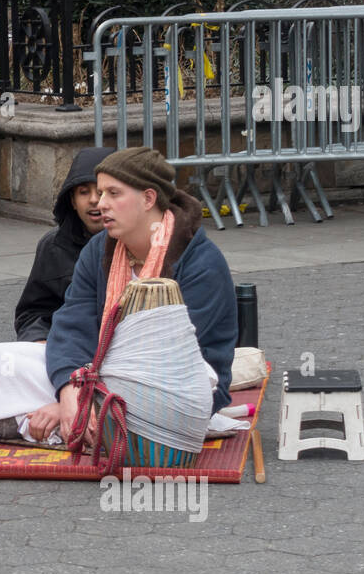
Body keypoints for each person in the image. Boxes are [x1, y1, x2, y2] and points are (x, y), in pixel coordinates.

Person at [45, 147, 238, 445]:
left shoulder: (201, 262)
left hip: (173, 384)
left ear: (148, 198)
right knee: (1, 361)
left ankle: (76, 417)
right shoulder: (97, 250)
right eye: (99, 192)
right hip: (98, 373)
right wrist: (70, 390)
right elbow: (72, 324)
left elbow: (174, 360)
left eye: (113, 193)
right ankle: (73, 413)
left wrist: (90, 397)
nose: (100, 203)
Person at [14, 147, 115, 343]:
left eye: (102, 192)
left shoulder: (139, 241)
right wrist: (39, 339)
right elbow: (34, 313)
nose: (94, 200)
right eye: (84, 192)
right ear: (72, 201)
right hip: (69, 348)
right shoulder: (53, 246)